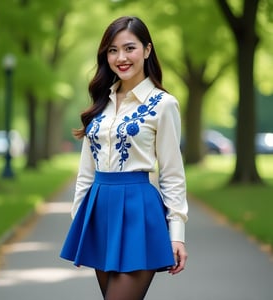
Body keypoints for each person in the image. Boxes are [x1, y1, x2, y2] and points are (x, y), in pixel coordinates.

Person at [60, 16, 188, 299]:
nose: (121, 57)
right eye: (113, 50)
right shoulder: (101, 104)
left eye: (129, 48)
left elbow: (172, 173)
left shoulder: (163, 105)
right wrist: (79, 219)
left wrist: (176, 232)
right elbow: (86, 171)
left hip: (139, 212)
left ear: (147, 50)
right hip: (99, 212)